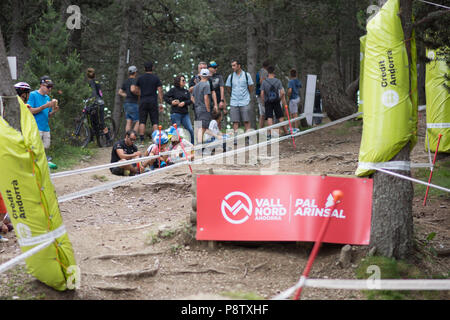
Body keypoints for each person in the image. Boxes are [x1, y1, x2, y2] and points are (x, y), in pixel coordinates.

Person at [27, 76, 60, 168]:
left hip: (45, 127)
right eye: (48, 87)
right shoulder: (33, 95)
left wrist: (54, 111)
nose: (50, 89)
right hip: (36, 126)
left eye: (51, 87)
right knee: (36, 148)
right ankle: (36, 165)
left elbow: (48, 114)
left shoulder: (47, 97)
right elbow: (31, 111)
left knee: (46, 146)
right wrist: (45, 106)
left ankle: (41, 163)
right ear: (41, 85)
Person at [131, 61, 164, 146]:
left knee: (142, 121)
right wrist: (161, 103)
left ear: (144, 68)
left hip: (143, 101)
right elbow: (160, 91)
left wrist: (140, 94)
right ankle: (155, 141)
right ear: (152, 68)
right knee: (155, 121)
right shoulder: (156, 78)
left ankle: (142, 141)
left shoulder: (140, 78)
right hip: (153, 101)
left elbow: (134, 89)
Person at [163, 75, 195, 144]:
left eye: (185, 80)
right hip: (176, 114)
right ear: (178, 82)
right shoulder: (173, 90)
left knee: (190, 129)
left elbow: (190, 101)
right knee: (175, 131)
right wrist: (171, 102)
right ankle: (171, 145)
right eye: (183, 80)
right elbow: (165, 97)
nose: (184, 82)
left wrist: (184, 103)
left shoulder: (186, 91)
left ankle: (193, 145)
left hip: (185, 114)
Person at [225, 59, 254, 134]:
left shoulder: (246, 75)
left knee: (246, 120)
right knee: (235, 121)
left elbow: (251, 86)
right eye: (232, 66)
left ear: (239, 66)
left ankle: (248, 137)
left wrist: (246, 94)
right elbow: (228, 87)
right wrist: (232, 94)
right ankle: (236, 138)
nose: (233, 67)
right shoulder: (230, 76)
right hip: (234, 102)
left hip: (245, 101)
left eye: (234, 65)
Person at [260, 65, 288, 136]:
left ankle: (271, 134)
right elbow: (282, 92)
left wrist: (263, 101)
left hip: (268, 101)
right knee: (280, 116)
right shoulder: (278, 81)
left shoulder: (264, 82)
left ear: (267, 72)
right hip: (276, 101)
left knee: (269, 117)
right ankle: (286, 132)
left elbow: (262, 93)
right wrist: (279, 98)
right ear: (274, 72)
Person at [86, 68, 112, 143]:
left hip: (97, 103)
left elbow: (94, 94)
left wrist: (91, 99)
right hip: (98, 103)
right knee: (94, 121)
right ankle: (92, 138)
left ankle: (108, 139)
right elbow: (100, 93)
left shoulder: (91, 83)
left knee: (99, 122)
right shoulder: (97, 82)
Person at [192, 68, 212, 144]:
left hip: (197, 109)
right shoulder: (207, 84)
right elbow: (206, 97)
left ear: (200, 75)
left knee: (199, 127)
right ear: (208, 76)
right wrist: (208, 108)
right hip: (203, 108)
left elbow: (192, 97)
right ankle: (199, 146)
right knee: (202, 128)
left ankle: (198, 144)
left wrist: (197, 104)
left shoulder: (196, 86)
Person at [118, 65, 139, 132]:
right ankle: (133, 137)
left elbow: (120, 92)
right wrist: (139, 93)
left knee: (129, 121)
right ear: (135, 72)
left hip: (126, 103)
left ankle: (127, 138)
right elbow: (132, 89)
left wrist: (127, 95)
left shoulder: (126, 81)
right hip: (133, 103)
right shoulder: (134, 80)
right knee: (139, 121)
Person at [208, 61, 226, 127]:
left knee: (218, 118)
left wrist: (222, 101)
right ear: (209, 68)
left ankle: (218, 134)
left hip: (218, 101)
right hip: (209, 101)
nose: (216, 69)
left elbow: (222, 88)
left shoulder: (219, 76)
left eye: (216, 67)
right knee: (209, 119)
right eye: (214, 67)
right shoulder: (205, 77)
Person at [256, 61, 269, 129]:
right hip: (262, 95)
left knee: (262, 114)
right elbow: (261, 81)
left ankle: (261, 130)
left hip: (259, 94)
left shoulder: (260, 71)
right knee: (267, 113)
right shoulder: (264, 71)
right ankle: (268, 131)